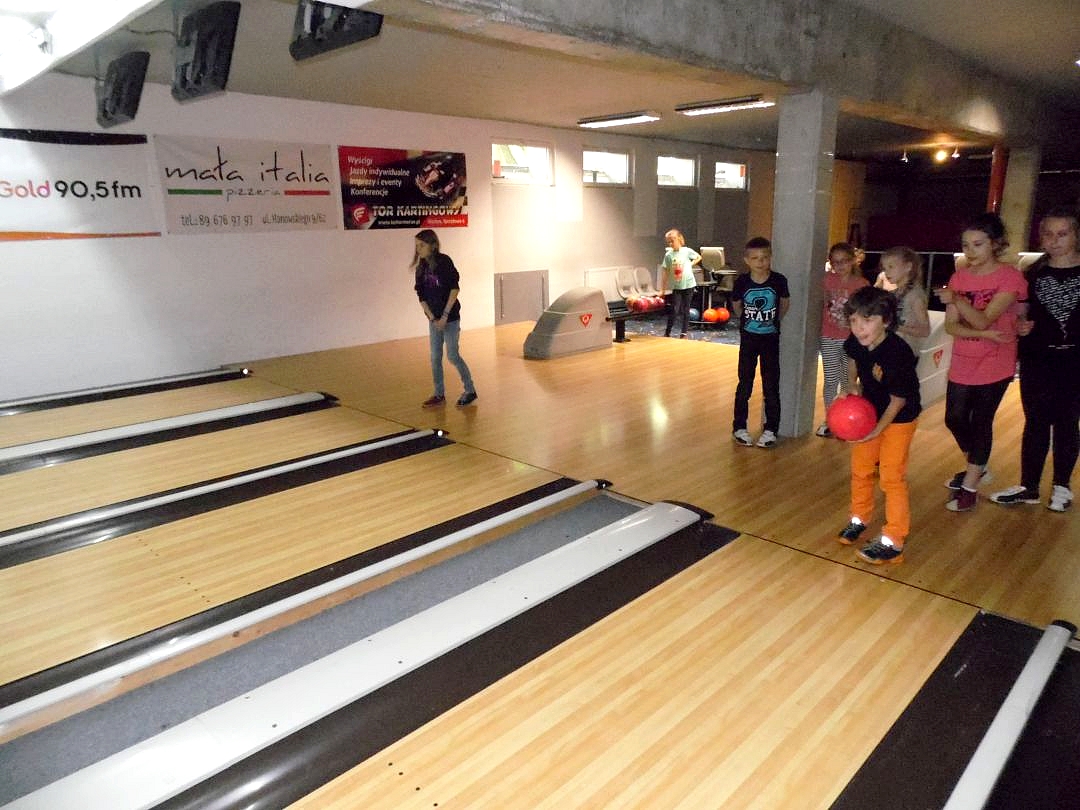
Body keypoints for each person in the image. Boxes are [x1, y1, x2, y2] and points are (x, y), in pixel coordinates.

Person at [991, 206, 1080, 512]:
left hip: (1074, 361)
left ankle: (1062, 486)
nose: (1055, 240)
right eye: (1049, 234)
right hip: (1037, 359)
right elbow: (1021, 313)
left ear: (1075, 236)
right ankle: (1029, 486)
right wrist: (1021, 325)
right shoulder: (1033, 272)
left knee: (1067, 422)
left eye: (1062, 234)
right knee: (1036, 422)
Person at [937, 212, 1027, 511]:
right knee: (954, 418)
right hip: (964, 358)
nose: (970, 251)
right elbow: (952, 326)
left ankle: (970, 486)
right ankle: (979, 464)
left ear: (995, 244)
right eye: (966, 245)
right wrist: (983, 332)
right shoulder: (959, 277)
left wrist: (957, 300)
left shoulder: (1009, 277)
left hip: (996, 359)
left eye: (978, 244)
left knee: (981, 421)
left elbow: (983, 318)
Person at [835, 286, 921, 564]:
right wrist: (852, 384)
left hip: (900, 418)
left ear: (886, 320)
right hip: (870, 413)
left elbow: (898, 401)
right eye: (853, 320)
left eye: (867, 320)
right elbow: (852, 357)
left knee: (891, 477)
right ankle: (859, 519)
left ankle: (894, 540)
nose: (859, 328)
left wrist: (875, 431)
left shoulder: (897, 353)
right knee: (860, 470)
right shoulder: (857, 341)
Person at [732, 236, 790, 448]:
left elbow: (784, 304)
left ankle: (771, 428)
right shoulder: (742, 282)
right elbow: (737, 306)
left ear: (770, 257)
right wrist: (749, 323)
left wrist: (772, 323)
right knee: (745, 383)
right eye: (755, 258)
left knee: (771, 384)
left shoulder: (778, 280)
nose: (760, 262)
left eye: (764, 257)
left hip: (770, 340)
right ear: (747, 260)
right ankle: (739, 427)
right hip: (749, 340)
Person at [412, 229, 478, 408]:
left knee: (453, 355)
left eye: (422, 245)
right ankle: (439, 394)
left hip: (450, 318)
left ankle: (470, 390)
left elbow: (454, 289)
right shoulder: (421, 268)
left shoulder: (444, 262)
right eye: (417, 245)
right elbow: (421, 296)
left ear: (433, 245)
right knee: (435, 357)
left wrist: (445, 316)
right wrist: (433, 318)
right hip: (434, 320)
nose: (418, 249)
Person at [818, 242, 868, 437]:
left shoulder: (861, 284)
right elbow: (823, 303)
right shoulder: (827, 280)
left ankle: (847, 419)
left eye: (844, 261)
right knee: (831, 380)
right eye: (835, 262)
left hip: (851, 339)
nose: (840, 266)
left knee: (848, 380)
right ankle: (830, 418)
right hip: (829, 336)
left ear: (853, 261)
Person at [879, 246, 931, 355]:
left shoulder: (915, 295)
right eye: (884, 268)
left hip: (906, 353)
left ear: (908, 267)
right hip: (892, 350)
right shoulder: (893, 293)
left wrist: (896, 327)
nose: (886, 272)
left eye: (891, 267)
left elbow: (925, 331)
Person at [659, 229, 701, 338]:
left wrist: (691, 264)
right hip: (677, 286)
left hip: (689, 284)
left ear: (679, 239)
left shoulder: (686, 251)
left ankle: (684, 333)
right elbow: (665, 272)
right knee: (674, 309)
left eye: (672, 241)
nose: (670, 244)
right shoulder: (668, 255)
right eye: (669, 242)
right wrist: (662, 289)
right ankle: (667, 331)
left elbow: (698, 257)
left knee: (686, 309)